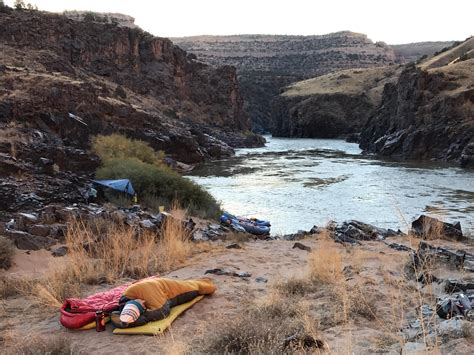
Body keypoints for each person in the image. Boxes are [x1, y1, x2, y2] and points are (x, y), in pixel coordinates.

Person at [111, 277, 216, 328]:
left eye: (141, 303)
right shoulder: (125, 298)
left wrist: (142, 317)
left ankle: (207, 283)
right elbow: (125, 311)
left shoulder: (149, 295)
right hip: (156, 283)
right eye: (142, 305)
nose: (143, 302)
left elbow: (162, 312)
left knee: (198, 287)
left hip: (172, 287)